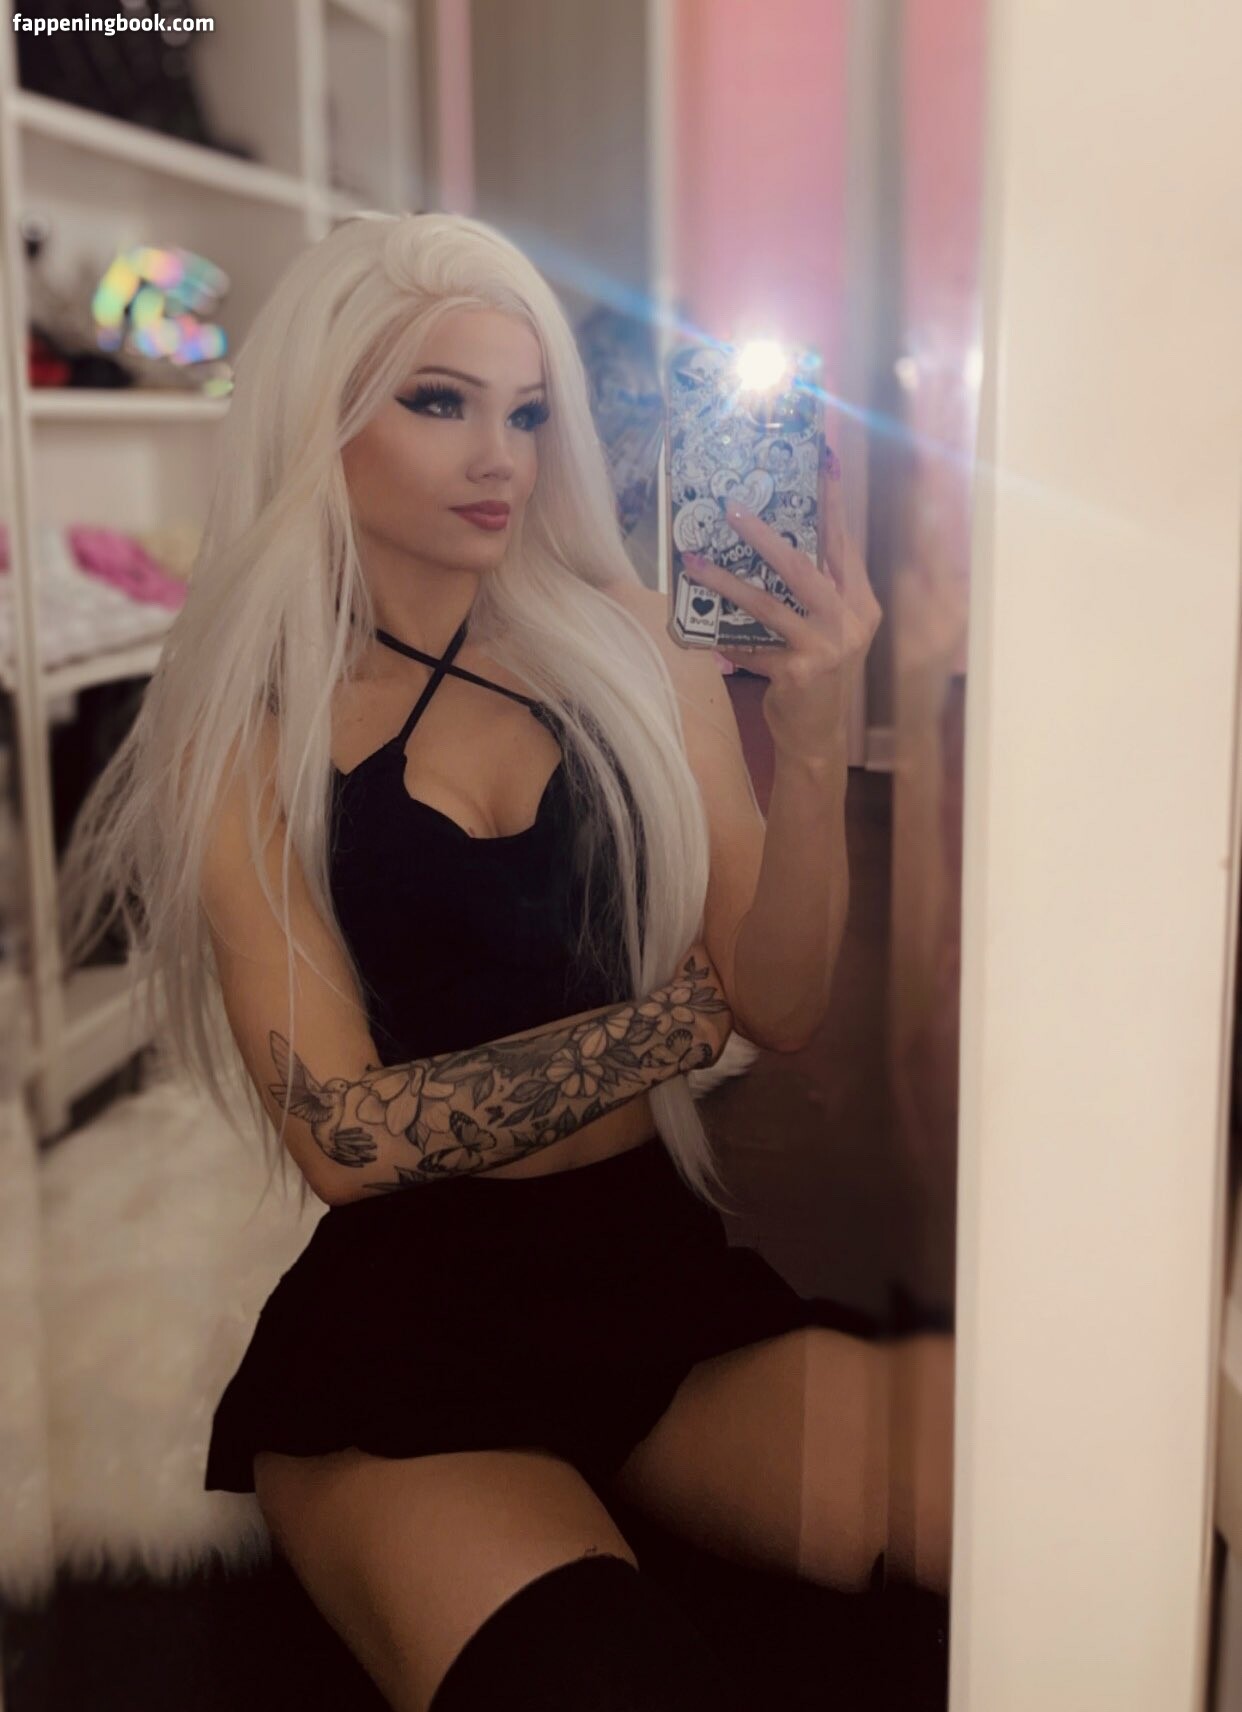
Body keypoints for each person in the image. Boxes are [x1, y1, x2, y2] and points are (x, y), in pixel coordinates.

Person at [59, 210, 949, 1711]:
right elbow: (346, 1139)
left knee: (1048, 1481)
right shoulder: (253, 733)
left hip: (652, 1275)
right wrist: (674, 1027)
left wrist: (811, 745)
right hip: (405, 1339)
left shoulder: (633, 643)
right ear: (322, 419)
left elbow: (781, 1001)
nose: (503, 459)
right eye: (440, 402)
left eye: (529, 413)